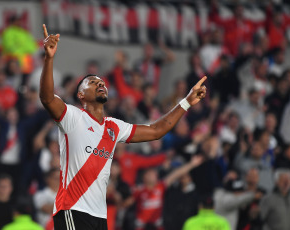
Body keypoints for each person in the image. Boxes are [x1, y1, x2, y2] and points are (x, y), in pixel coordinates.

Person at [40, 24, 207, 230]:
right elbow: (47, 98)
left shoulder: (114, 126)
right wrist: (49, 58)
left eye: (101, 82)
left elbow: (156, 131)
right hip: (72, 209)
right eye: (92, 82)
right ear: (81, 95)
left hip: (100, 216)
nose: (100, 83)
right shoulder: (72, 117)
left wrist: (187, 102)